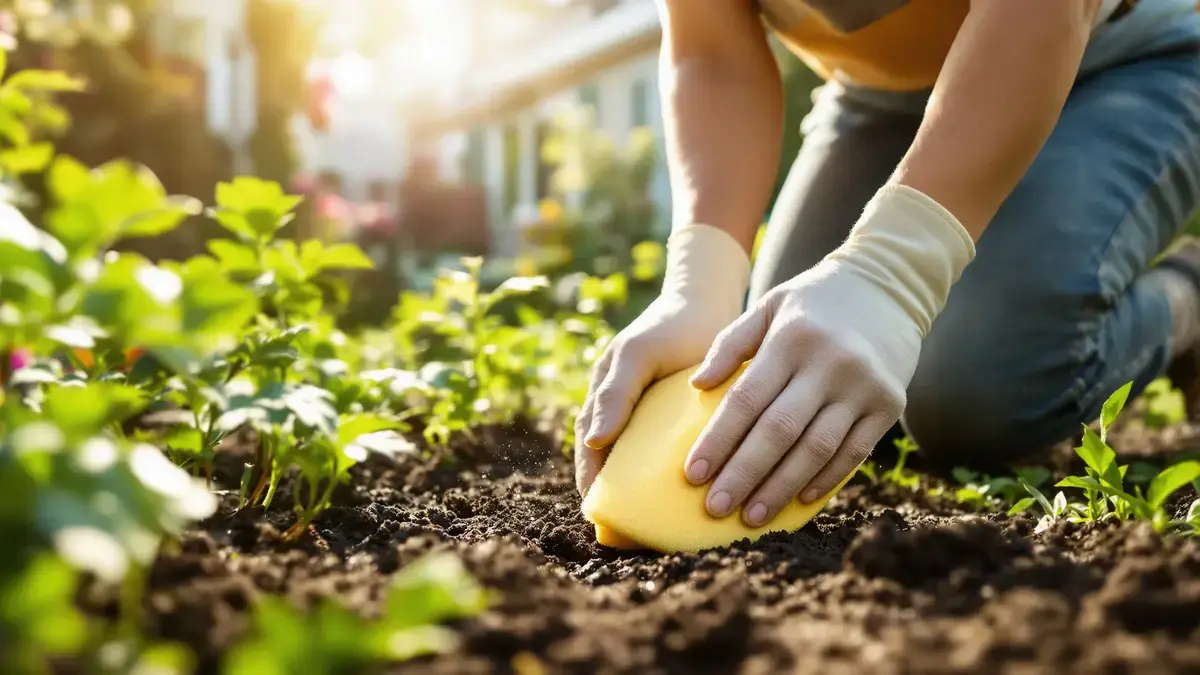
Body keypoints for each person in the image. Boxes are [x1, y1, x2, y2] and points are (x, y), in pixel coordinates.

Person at [573, 0, 1200, 530]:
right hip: (881, 101)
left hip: (1132, 60)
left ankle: (1187, 297)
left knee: (972, 395)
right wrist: (701, 285)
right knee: (797, 370)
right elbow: (710, 50)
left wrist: (892, 274)